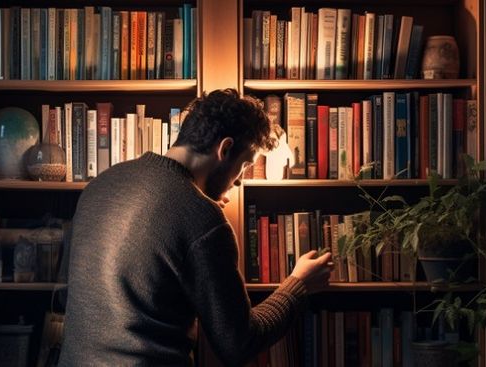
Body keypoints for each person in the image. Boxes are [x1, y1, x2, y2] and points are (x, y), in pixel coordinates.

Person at [58, 89, 334, 367]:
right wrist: (298, 284)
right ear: (224, 149)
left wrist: (198, 199)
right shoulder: (204, 218)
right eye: (244, 164)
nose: (238, 181)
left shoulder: (100, 185)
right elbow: (238, 344)